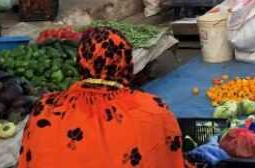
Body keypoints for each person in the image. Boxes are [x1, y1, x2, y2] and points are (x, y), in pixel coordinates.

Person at [18, 28, 185, 168]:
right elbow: (167, 158)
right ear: (126, 62)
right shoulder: (150, 109)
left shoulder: (46, 108)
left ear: (81, 61)